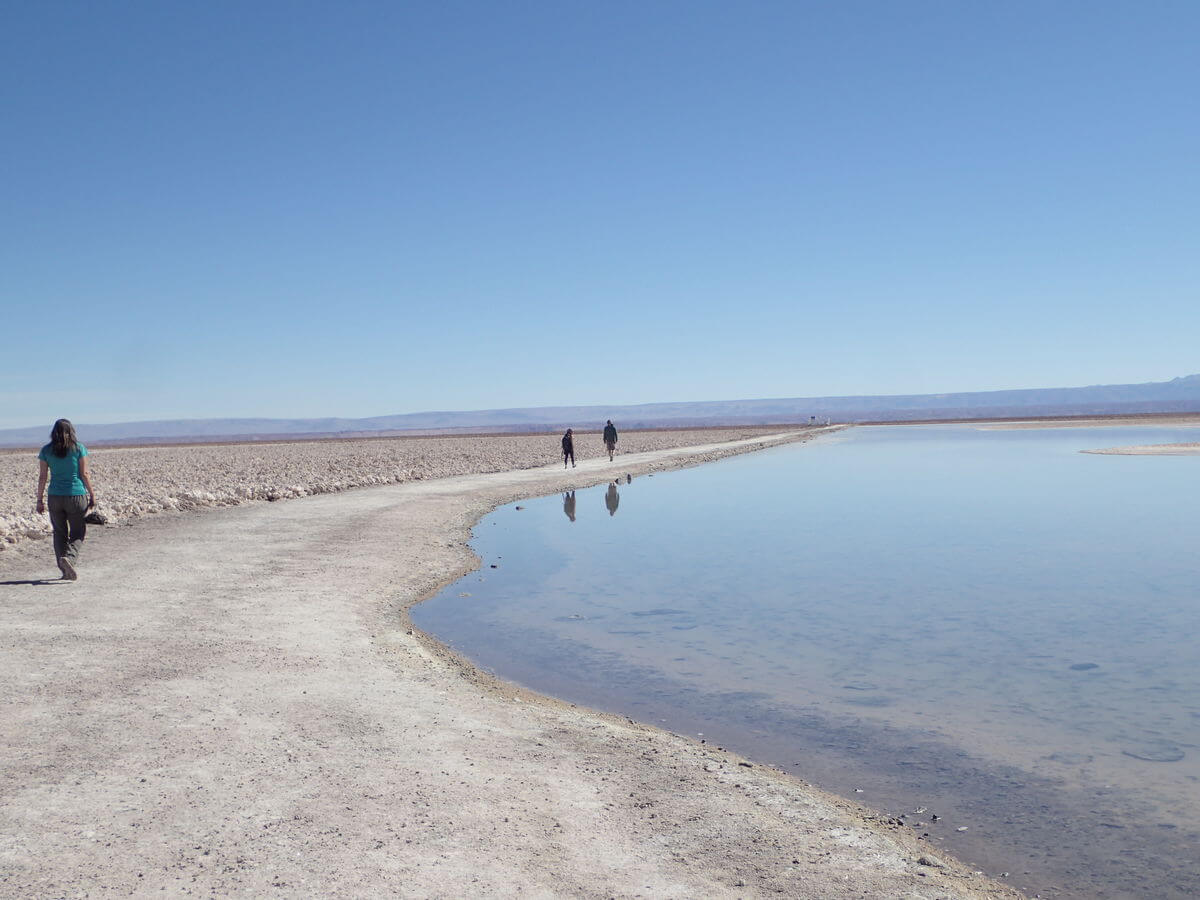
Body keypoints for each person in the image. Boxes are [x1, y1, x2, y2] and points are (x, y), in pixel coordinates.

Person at [36, 418, 96, 581]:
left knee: (59, 533)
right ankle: (69, 558)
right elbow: (84, 474)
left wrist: (39, 500)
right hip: (76, 496)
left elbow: (42, 477)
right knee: (78, 532)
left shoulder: (46, 450)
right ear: (71, 431)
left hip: (55, 497)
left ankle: (64, 570)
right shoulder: (78, 448)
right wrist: (92, 494)